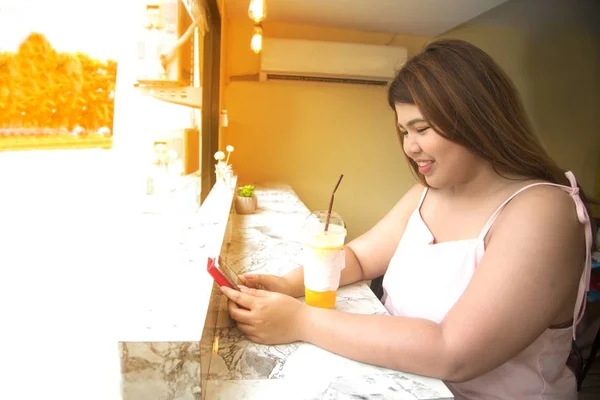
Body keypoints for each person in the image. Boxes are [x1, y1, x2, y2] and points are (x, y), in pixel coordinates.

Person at [220, 39, 597, 399]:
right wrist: (288, 285)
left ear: (476, 118)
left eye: (421, 128)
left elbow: (454, 352)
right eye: (403, 131)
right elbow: (358, 259)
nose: (409, 146)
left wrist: (300, 321)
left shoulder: (543, 212)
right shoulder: (426, 195)